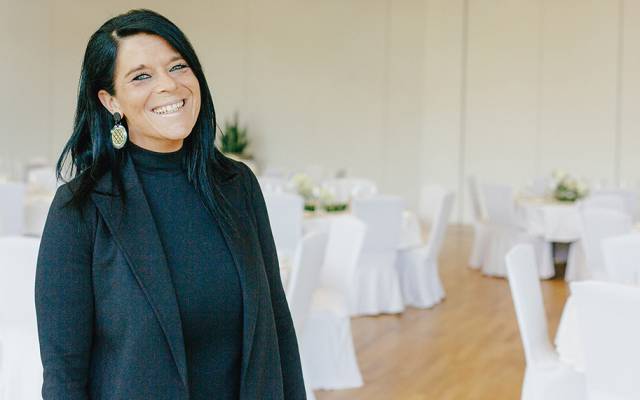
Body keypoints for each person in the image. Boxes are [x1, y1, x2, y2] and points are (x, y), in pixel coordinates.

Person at [35, 9, 306, 400]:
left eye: (178, 66)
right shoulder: (81, 208)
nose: (168, 85)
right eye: (141, 76)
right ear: (110, 101)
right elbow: (64, 376)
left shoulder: (237, 185)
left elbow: (277, 325)